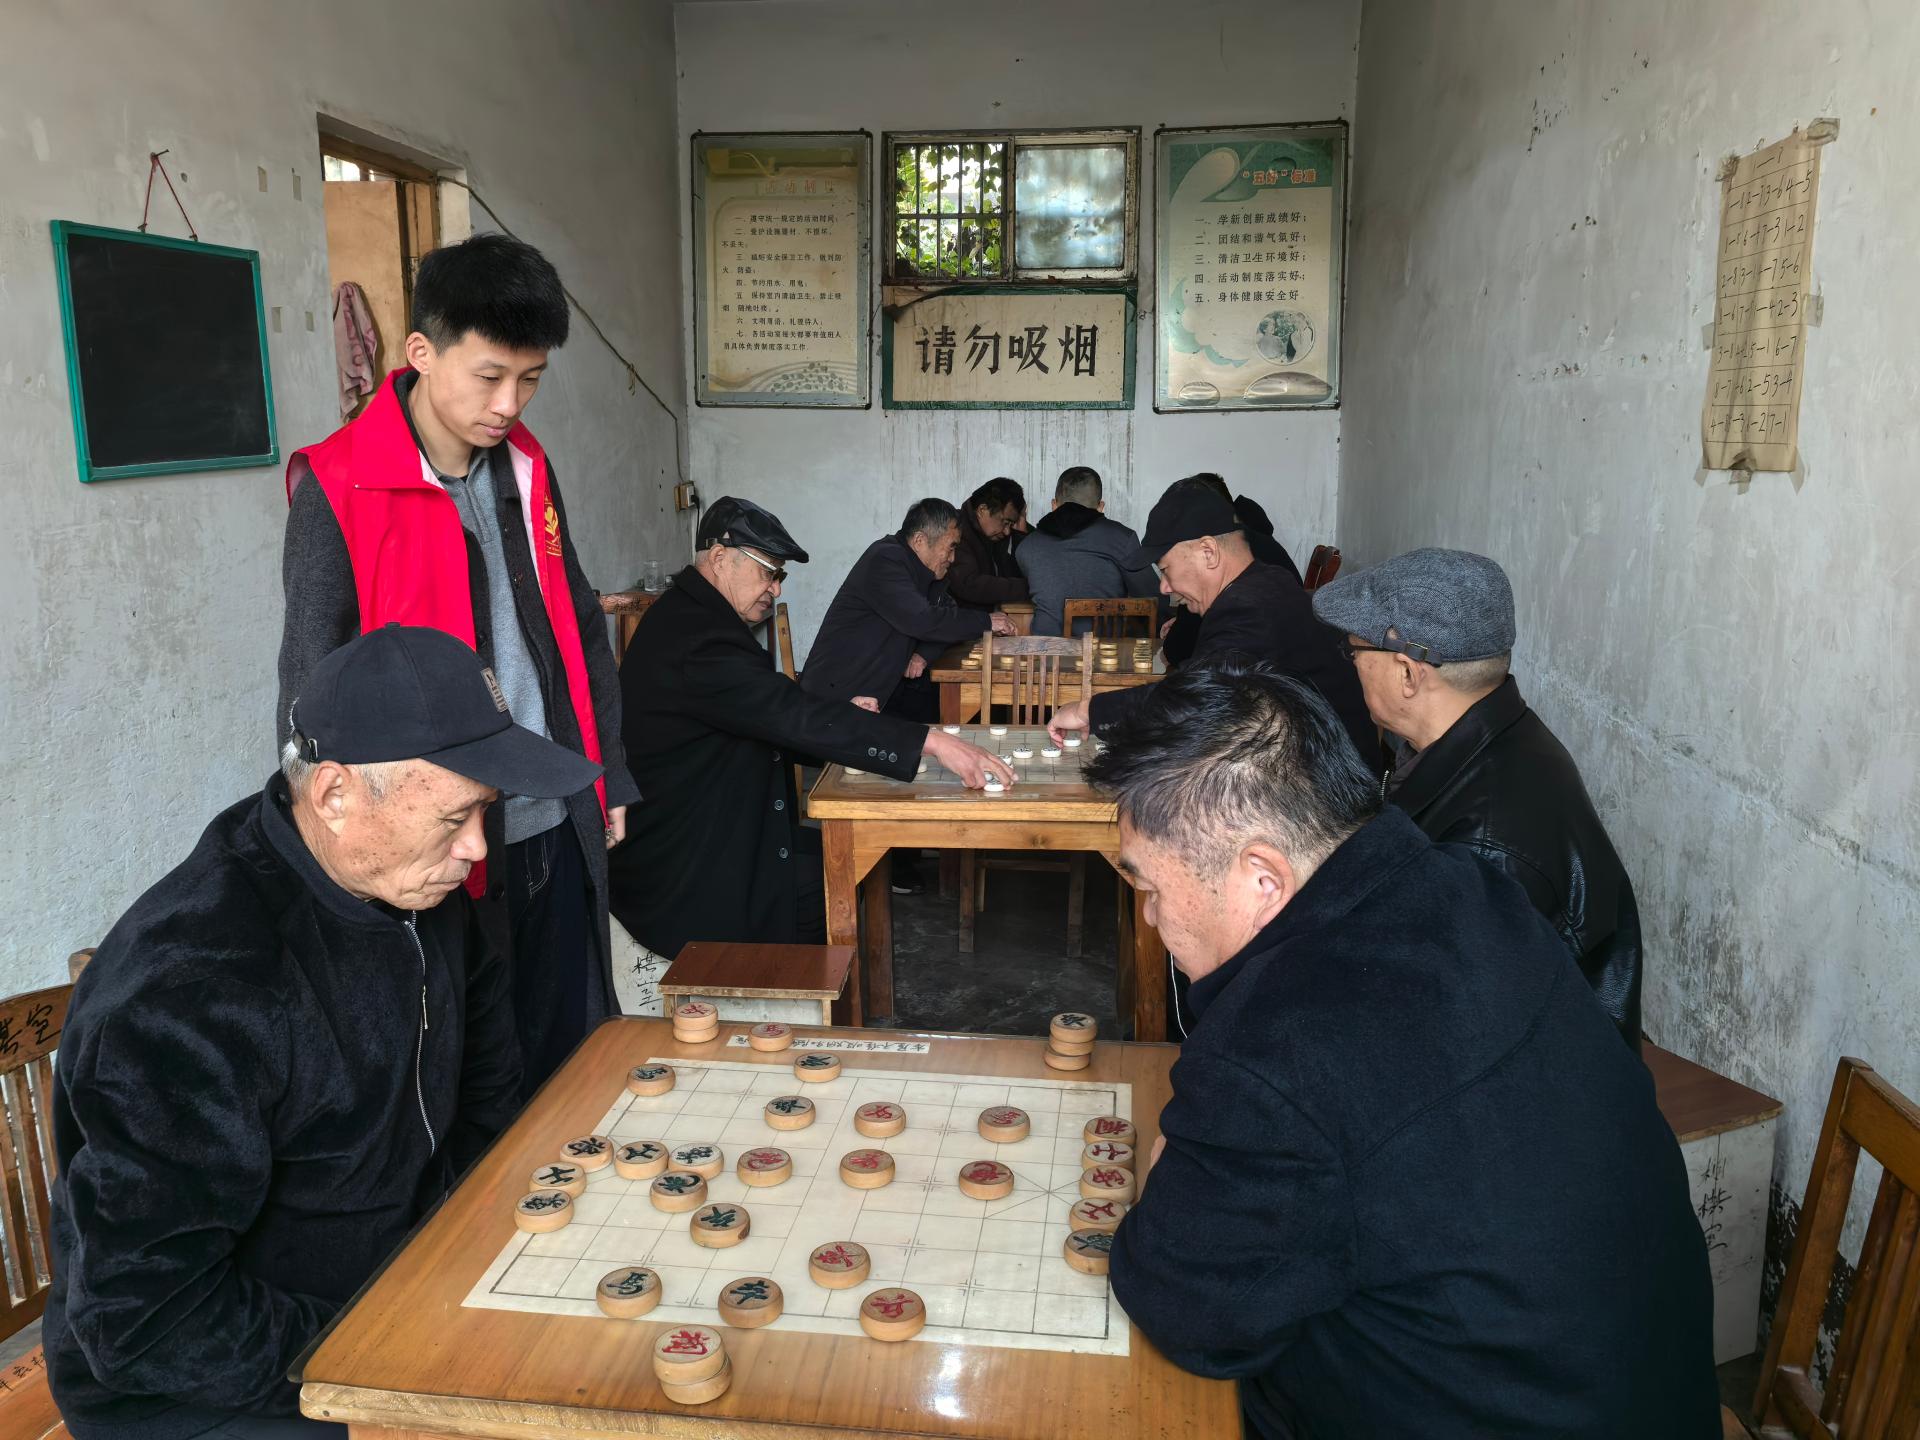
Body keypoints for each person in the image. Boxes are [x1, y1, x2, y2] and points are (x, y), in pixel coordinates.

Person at [1089, 662, 1718, 1439]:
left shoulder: (1277, 1050)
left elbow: (1184, 1306)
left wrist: (1174, 1173)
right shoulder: (1470, 888)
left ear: (1262, 878)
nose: (1151, 920)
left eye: (1151, 889)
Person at [44, 625, 602, 1438]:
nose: (476, 848)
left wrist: (470, 1249)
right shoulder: (193, 989)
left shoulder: (416, 889)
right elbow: (145, 1321)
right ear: (335, 795)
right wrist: (389, 1344)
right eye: (453, 816)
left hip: (396, 1289)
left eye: (487, 809)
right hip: (211, 1388)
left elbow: (488, 1094)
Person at [277, 232, 634, 1100]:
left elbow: (578, 626)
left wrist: (610, 774)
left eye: (531, 379)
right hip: (438, 845)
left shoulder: (528, 468)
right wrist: (326, 844)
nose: (509, 404)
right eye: (489, 376)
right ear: (421, 351)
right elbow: (310, 686)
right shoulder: (340, 485)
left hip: (554, 814)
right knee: (465, 1077)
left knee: (575, 1057)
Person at [609, 498, 1013, 964]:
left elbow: (765, 711)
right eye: (769, 572)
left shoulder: (697, 617)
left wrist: (846, 716)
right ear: (719, 558)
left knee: (850, 859)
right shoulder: (698, 638)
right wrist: (929, 741)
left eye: (780, 575)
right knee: (833, 878)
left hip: (718, 824)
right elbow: (786, 713)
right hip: (687, 860)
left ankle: (812, 994)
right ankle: (790, 997)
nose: (776, 588)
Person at [1312, 547, 1644, 1046]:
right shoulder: (1494, 737)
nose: (1352, 664)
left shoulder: (1484, 846)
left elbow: (1443, 1029)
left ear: (1408, 673)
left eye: (1354, 651)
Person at [1047, 478, 1375, 762]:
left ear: (1208, 552)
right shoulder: (1264, 585)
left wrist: (1088, 711)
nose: (1164, 587)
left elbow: (1196, 699)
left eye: (1166, 570)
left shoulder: (1249, 607)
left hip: (1330, 793)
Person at [801, 498, 1014, 720]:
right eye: (951, 547)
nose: (952, 558)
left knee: (959, 716)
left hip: (884, 690)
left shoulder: (926, 571)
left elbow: (945, 612)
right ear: (920, 541)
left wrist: (923, 653)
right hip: (839, 697)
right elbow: (924, 620)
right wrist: (986, 621)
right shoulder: (885, 559)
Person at [1160, 473, 1302, 666]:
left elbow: (1179, 651)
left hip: (1269, 674)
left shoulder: (1213, 557)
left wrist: (1178, 636)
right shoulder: (1258, 543)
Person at [1015, 465, 1161, 635]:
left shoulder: (1027, 547)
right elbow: (1153, 599)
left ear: (1054, 505)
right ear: (1100, 507)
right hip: (1105, 649)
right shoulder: (1122, 539)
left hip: (1045, 648)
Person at [946, 476, 1030, 608]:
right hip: (963, 617)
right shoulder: (956, 530)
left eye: (1011, 524)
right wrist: (1028, 587)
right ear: (982, 510)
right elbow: (969, 584)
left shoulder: (994, 534)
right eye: (1005, 522)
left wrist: (1021, 535)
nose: (1007, 531)